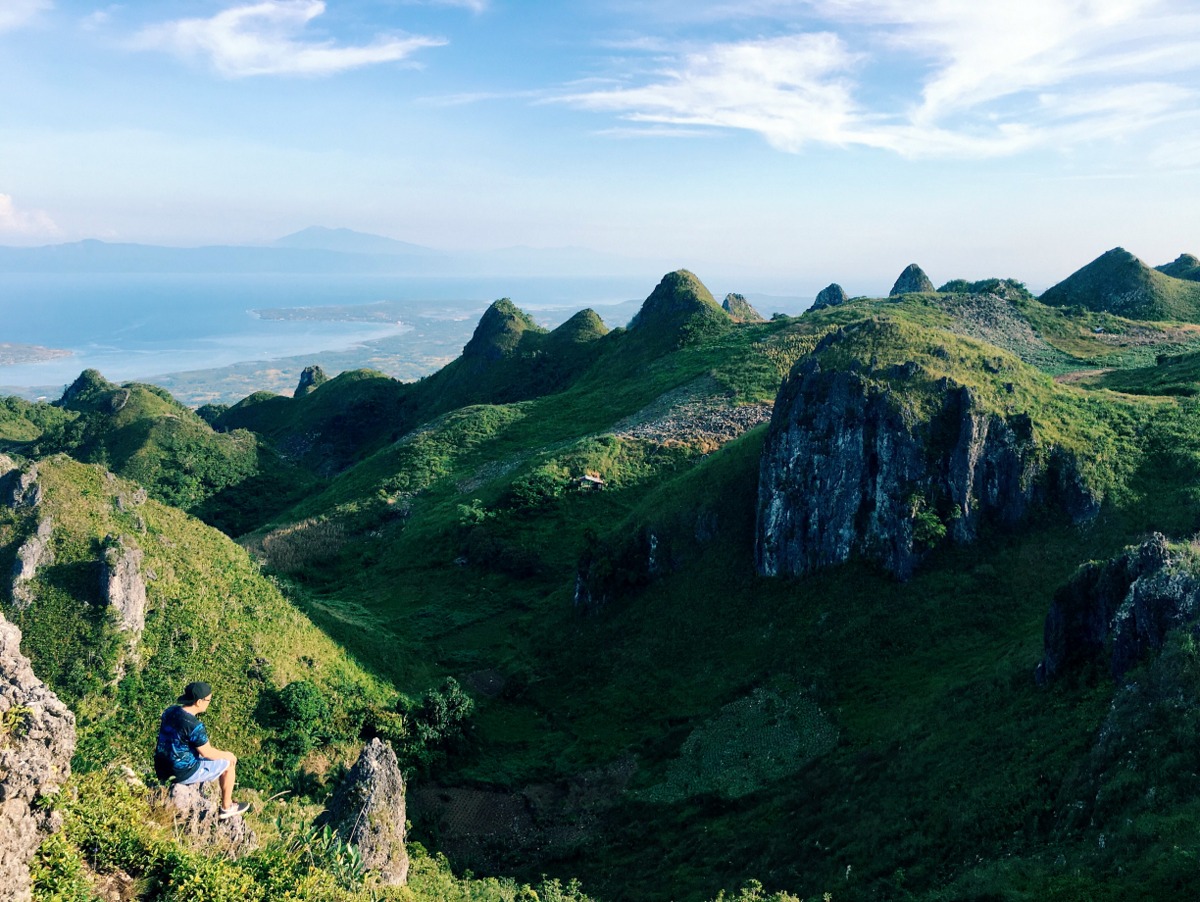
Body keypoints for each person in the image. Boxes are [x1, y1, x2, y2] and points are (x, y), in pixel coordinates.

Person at [155, 680, 250, 820]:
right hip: (181, 772)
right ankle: (227, 807)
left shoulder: (170, 711)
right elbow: (207, 753)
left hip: (161, 768)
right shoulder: (194, 725)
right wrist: (228, 755)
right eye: (208, 700)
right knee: (229, 765)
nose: (209, 703)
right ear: (199, 702)